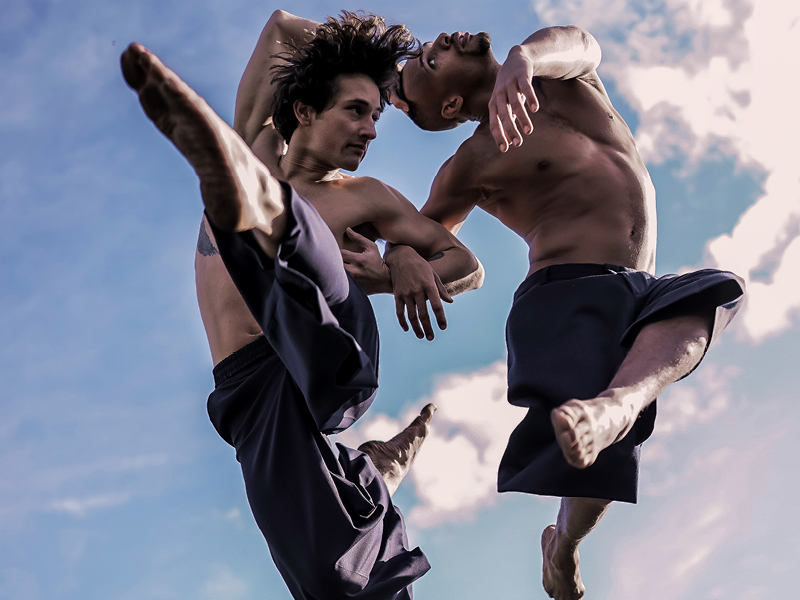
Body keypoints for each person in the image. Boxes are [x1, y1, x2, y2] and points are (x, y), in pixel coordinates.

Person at [121, 10, 482, 600]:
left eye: (377, 116)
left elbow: (467, 266)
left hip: (333, 351)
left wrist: (396, 267)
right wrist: (385, 72)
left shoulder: (366, 196)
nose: (370, 129)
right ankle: (371, 475)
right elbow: (282, 29)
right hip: (251, 391)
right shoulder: (258, 140)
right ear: (304, 112)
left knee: (289, 237)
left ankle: (273, 215)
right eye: (356, 111)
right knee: (330, 580)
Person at [384, 26, 745, 599]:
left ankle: (570, 529)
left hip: (635, 287)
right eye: (433, 58)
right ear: (450, 104)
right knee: (599, 455)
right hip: (563, 293)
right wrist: (400, 258)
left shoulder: (559, 77)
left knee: (717, 292)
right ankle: (610, 416)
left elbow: (585, 44)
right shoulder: (471, 162)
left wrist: (524, 59)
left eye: (433, 44)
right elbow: (418, 232)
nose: (444, 40)